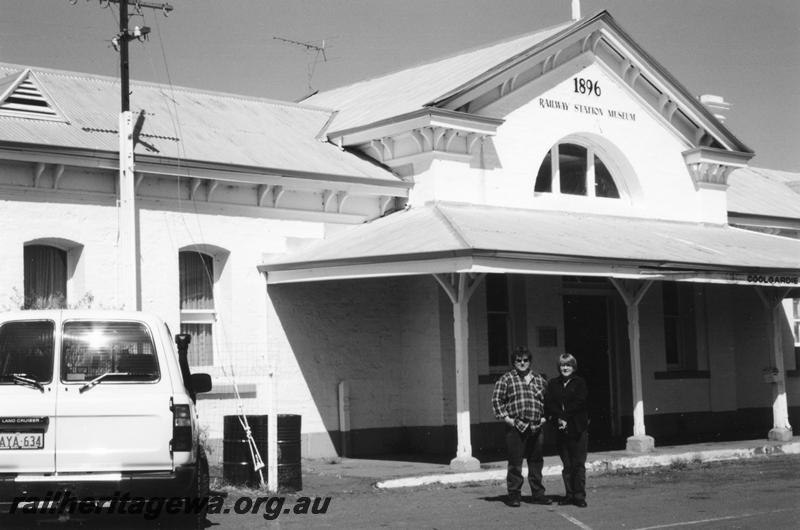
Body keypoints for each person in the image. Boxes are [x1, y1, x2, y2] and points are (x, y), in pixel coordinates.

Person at [492, 346, 552, 507]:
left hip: (536, 426)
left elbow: (549, 402)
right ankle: (514, 495)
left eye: (525, 360)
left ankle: (538, 494)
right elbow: (497, 400)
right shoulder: (506, 379)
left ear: (530, 361)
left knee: (536, 461)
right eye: (519, 360)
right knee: (515, 463)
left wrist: (545, 418)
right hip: (515, 426)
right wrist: (506, 418)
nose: (522, 363)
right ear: (514, 362)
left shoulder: (540, 379)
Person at [546, 353, 589, 508]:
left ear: (573, 367)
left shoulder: (580, 382)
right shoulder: (553, 383)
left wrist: (564, 416)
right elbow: (549, 403)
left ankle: (579, 496)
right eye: (563, 365)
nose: (565, 368)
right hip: (561, 429)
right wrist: (559, 418)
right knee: (567, 465)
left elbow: (579, 402)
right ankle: (569, 495)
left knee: (578, 464)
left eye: (568, 365)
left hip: (577, 429)